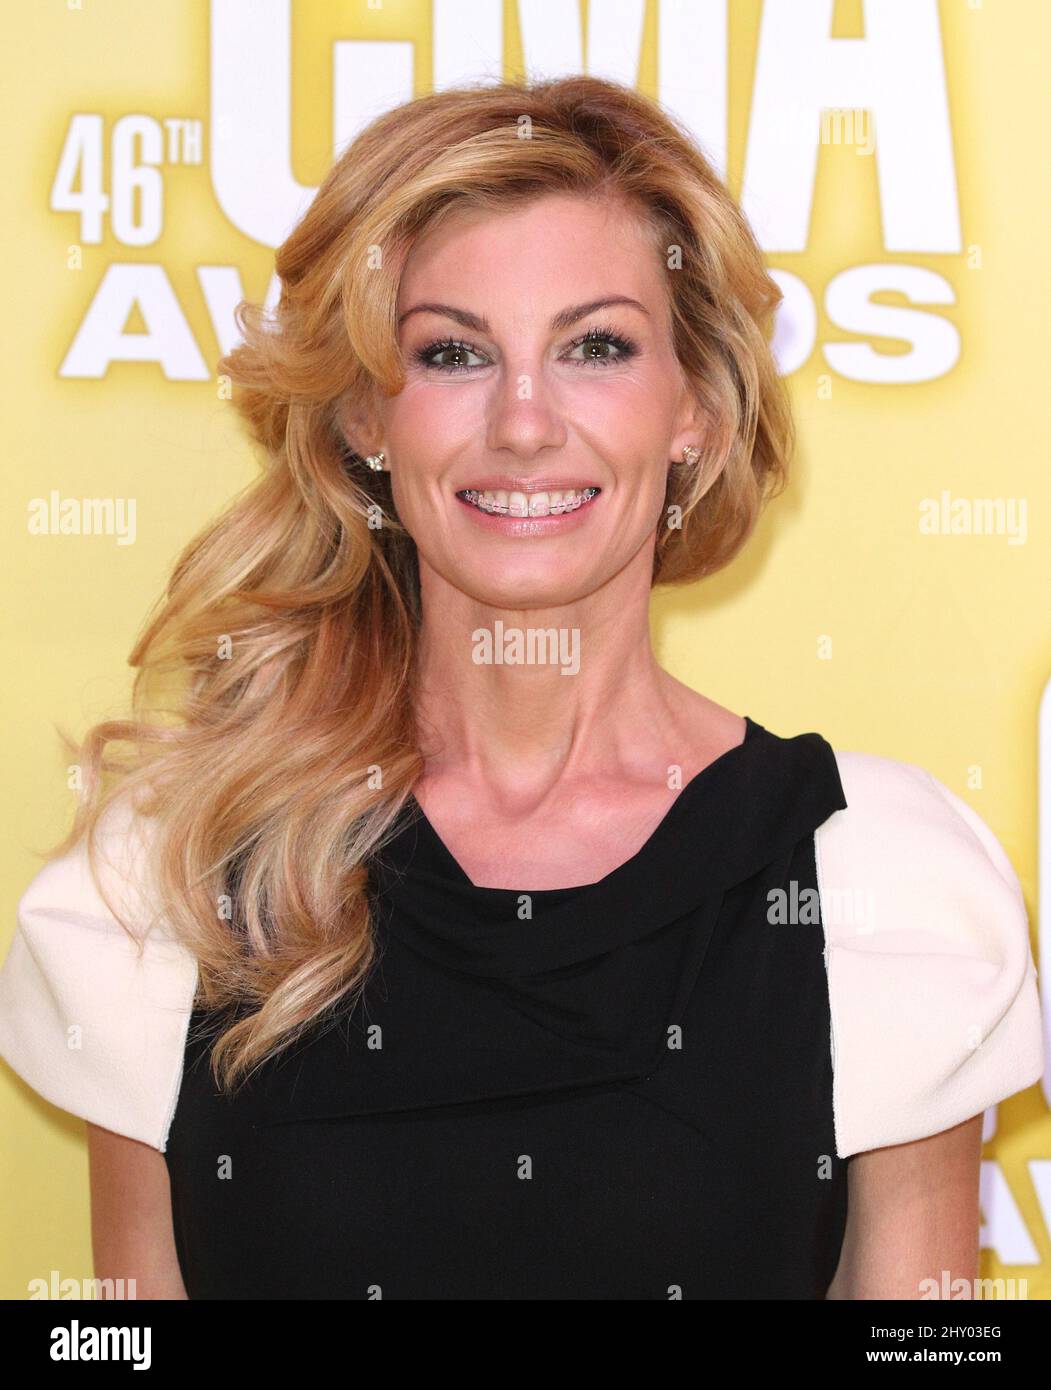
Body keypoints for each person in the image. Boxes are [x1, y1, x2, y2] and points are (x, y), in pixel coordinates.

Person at [0, 75, 1043, 1301]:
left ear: (698, 407)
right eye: (452, 352)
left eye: (594, 345)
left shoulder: (876, 881)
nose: (524, 421)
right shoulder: (172, 880)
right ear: (364, 421)